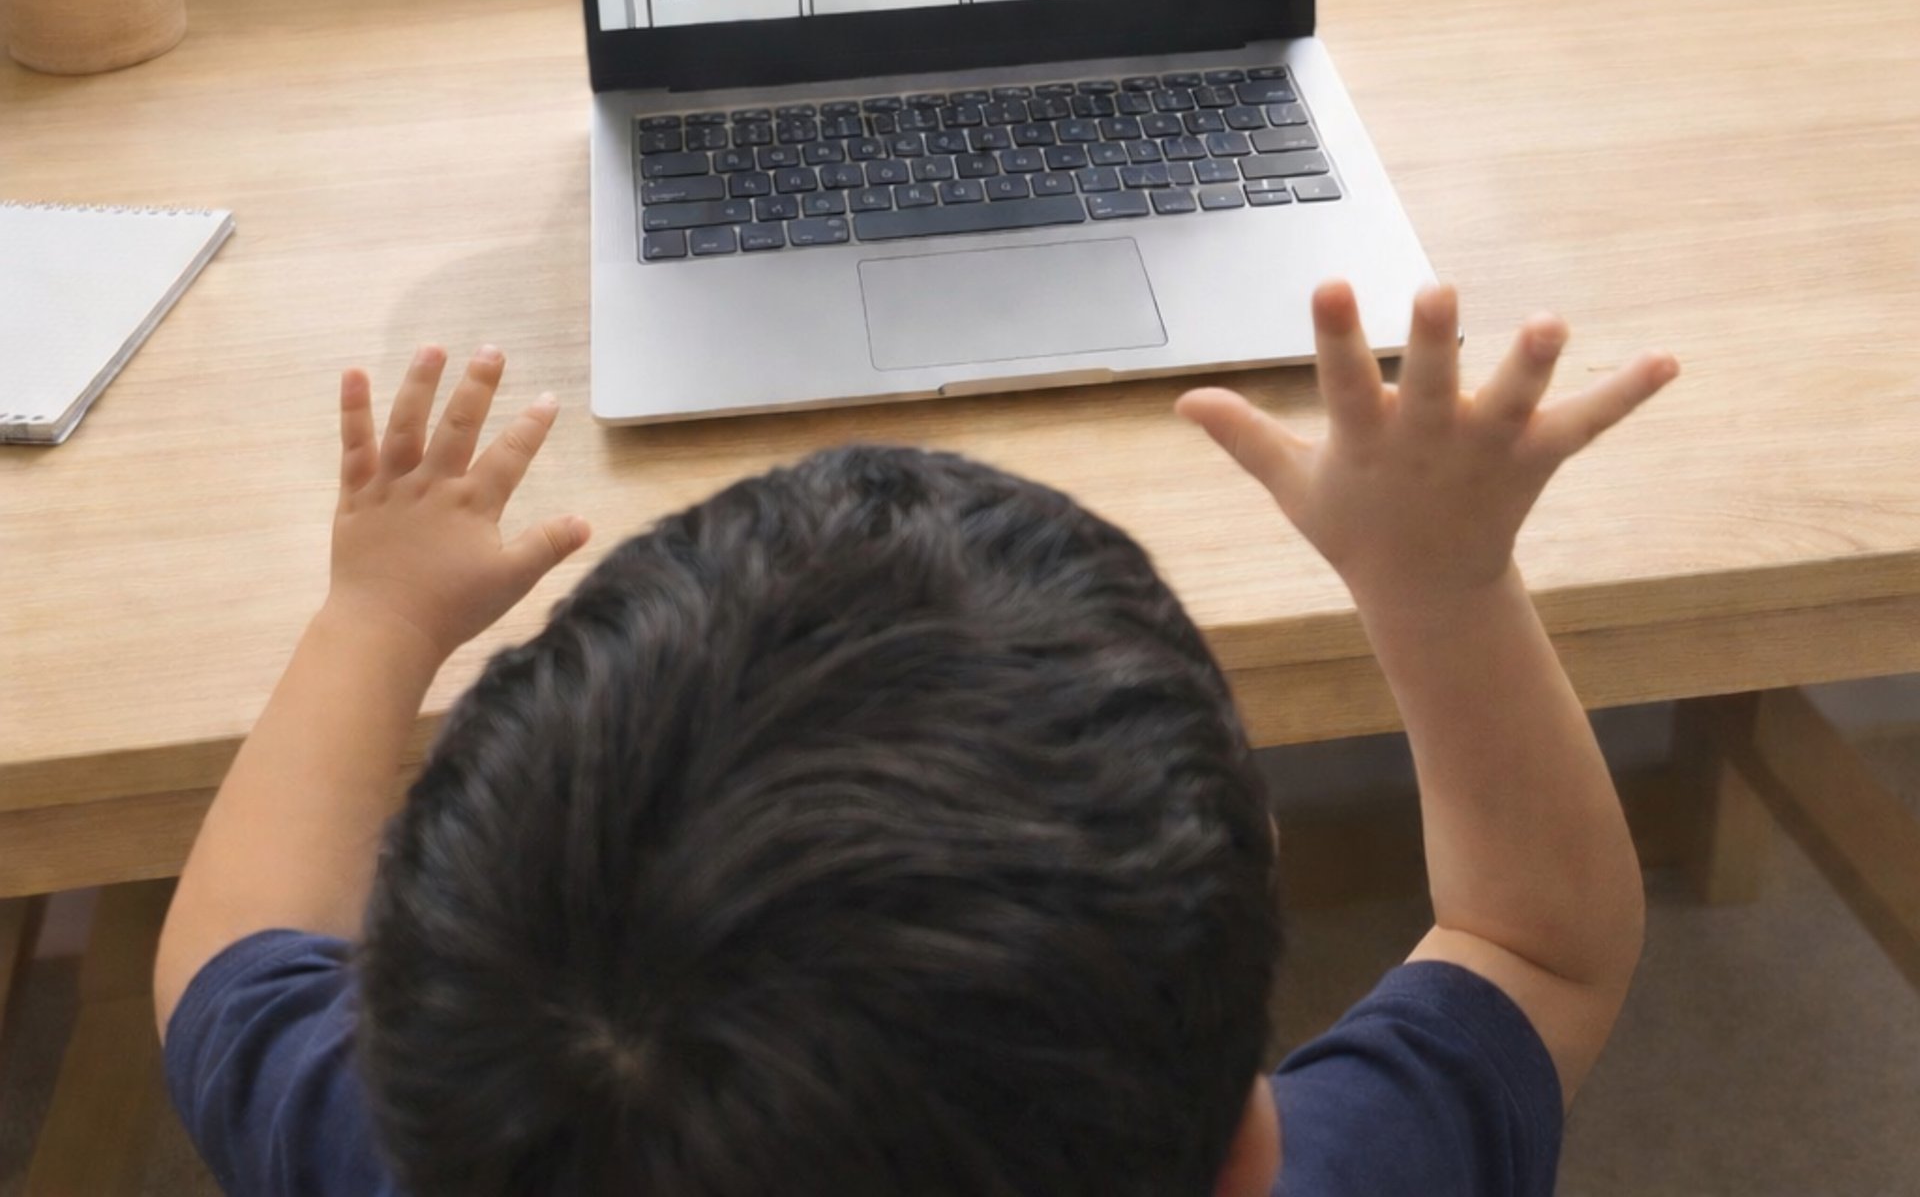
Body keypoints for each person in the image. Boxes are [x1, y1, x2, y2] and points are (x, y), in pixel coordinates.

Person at [155, 284, 1677, 1197]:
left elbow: (226, 952)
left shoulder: (416, 1159)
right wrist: (1441, 584)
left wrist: (373, 618)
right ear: (1245, 1160)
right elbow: (1537, 945)